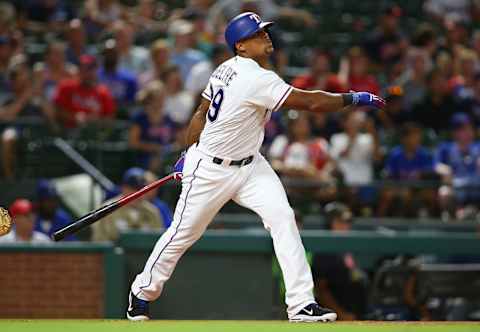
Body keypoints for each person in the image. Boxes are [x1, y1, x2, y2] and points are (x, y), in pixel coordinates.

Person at [127, 12, 384, 323]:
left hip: (251, 165)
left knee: (284, 219)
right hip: (211, 168)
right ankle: (141, 291)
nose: (265, 37)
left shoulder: (227, 68)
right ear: (241, 47)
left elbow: (201, 112)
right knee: (183, 233)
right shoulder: (255, 77)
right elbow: (310, 102)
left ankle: (301, 304)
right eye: (256, 34)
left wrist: (188, 150)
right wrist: (351, 98)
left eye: (264, 32)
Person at [312, 202, 368, 320]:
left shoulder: (347, 247)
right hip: (337, 317)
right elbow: (321, 289)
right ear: (330, 223)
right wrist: (340, 314)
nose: (345, 226)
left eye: (347, 222)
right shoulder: (325, 249)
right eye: (340, 222)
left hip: (355, 313)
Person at [377, 123, 438, 217]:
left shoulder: (424, 154)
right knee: (387, 194)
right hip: (399, 187)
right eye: (413, 137)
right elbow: (388, 174)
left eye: (418, 137)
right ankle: (380, 222)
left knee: (430, 194)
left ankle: (434, 222)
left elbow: (429, 174)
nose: (417, 140)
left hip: (419, 188)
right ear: (404, 139)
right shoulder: (395, 154)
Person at [92, 167, 162, 242]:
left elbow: (160, 241)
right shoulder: (108, 209)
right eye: (133, 189)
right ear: (124, 188)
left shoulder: (152, 211)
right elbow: (99, 241)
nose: (137, 194)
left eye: (140, 190)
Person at [436, 113, 480, 219]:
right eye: (463, 129)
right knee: (444, 192)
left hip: (476, 188)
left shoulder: (478, 146)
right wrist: (445, 169)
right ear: (455, 132)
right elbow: (436, 164)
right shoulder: (446, 147)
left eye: (470, 128)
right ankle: (453, 219)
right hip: (456, 188)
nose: (469, 132)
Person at [53, 54, 116, 129]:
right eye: (83, 68)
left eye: (90, 68)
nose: (87, 73)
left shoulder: (103, 92)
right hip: (67, 133)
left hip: (94, 135)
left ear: (96, 70)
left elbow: (110, 119)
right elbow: (57, 111)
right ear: (79, 70)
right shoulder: (66, 86)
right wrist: (74, 117)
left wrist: (95, 121)